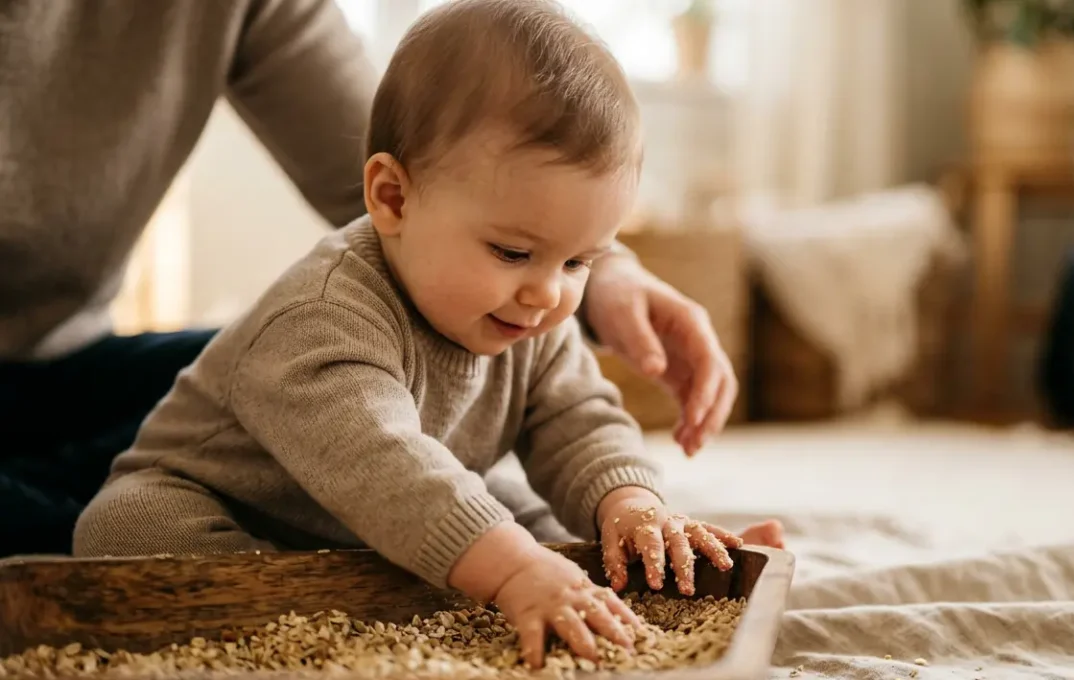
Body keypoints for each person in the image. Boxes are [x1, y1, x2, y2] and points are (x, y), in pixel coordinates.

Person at [73, 1, 772, 666]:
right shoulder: (321, 317)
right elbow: (388, 467)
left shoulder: (534, 310)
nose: (548, 293)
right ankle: (326, 597)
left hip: (395, 514)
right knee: (124, 529)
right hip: (237, 507)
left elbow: (580, 422)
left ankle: (657, 574)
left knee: (537, 526)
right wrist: (516, 566)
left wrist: (634, 510)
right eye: (511, 252)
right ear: (393, 199)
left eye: (580, 260)